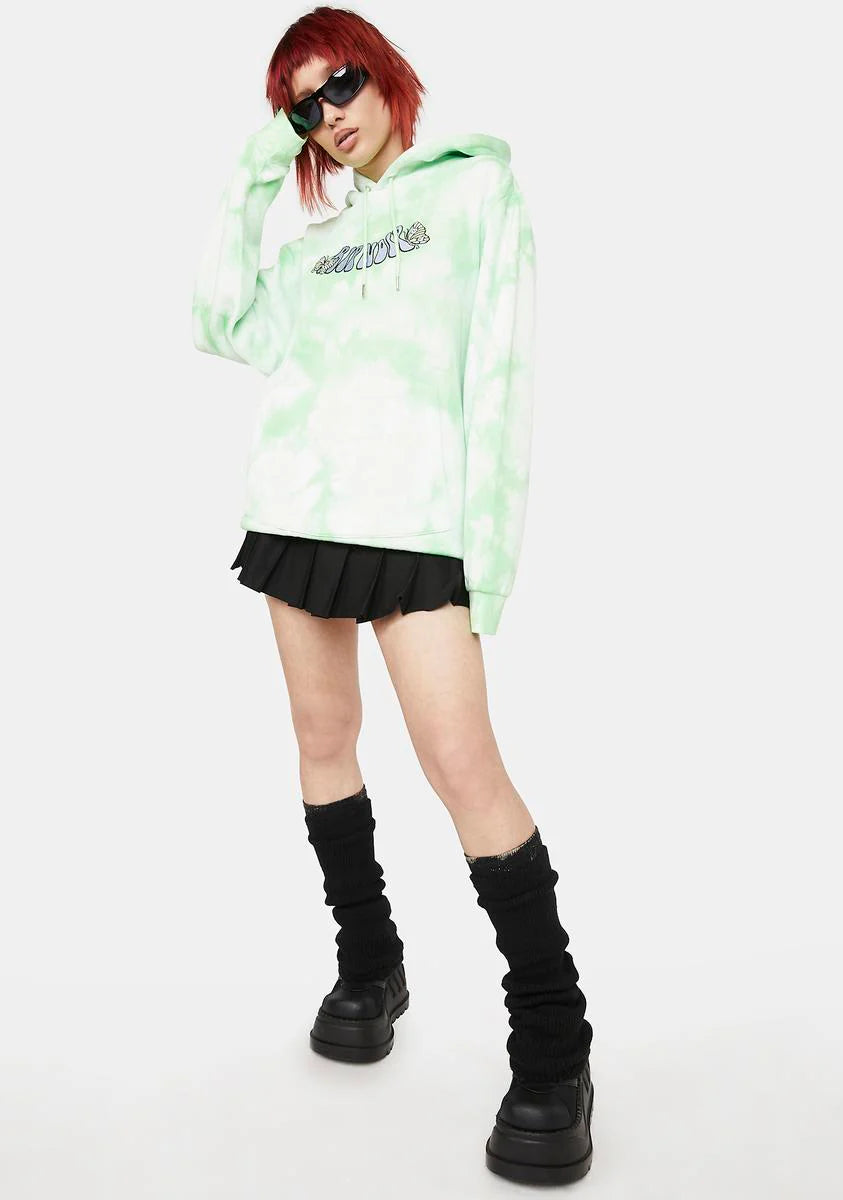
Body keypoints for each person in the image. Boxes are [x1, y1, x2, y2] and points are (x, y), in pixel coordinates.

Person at [191, 5, 594, 1185]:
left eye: (341, 86)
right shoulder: (313, 243)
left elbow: (502, 376)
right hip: (300, 513)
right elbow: (218, 318)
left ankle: (556, 1046)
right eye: (301, 110)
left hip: (419, 529)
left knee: (464, 766)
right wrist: (259, 167)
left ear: (386, 73)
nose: (329, 117)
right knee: (324, 743)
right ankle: (369, 963)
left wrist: (488, 562)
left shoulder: (475, 191)